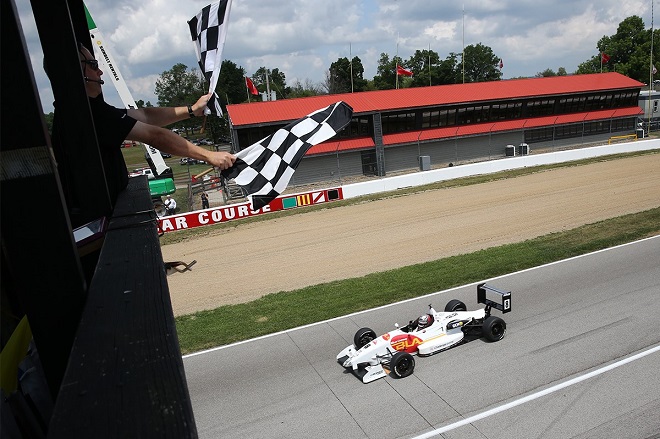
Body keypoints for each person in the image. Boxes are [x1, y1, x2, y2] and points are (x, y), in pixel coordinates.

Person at [47, 43, 236, 209]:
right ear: (74, 71)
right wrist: (209, 155)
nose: (100, 72)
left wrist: (191, 110)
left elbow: (145, 115)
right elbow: (155, 135)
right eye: (93, 65)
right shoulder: (88, 114)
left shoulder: (78, 109)